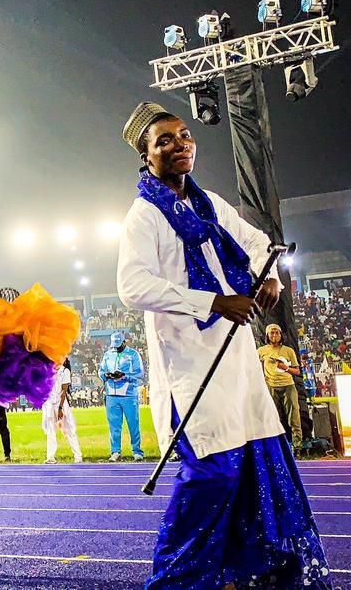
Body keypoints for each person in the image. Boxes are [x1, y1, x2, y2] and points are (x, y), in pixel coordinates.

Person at [117, 101, 330, 588]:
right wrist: (214, 300)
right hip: (189, 369)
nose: (180, 144)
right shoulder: (143, 216)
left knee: (253, 471)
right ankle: (175, 580)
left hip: (236, 361)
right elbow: (132, 286)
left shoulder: (210, 203)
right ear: (146, 156)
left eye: (185, 135)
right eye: (164, 140)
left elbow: (258, 242)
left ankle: (240, 574)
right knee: (212, 475)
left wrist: (270, 274)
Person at [99, 331, 144, 462]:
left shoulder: (133, 354)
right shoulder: (108, 354)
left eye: (119, 345)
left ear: (125, 342)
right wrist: (105, 375)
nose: (116, 348)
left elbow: (140, 373)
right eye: (114, 345)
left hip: (129, 395)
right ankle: (115, 451)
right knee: (114, 426)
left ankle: (137, 451)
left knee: (133, 424)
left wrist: (124, 375)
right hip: (111, 395)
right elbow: (100, 371)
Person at [258, 323, 303, 450]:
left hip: (288, 386)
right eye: (272, 333)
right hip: (270, 387)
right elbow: (253, 367)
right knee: (272, 419)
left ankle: (297, 447)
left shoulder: (288, 351)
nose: (274, 335)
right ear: (267, 335)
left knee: (294, 418)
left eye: (277, 332)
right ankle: (276, 449)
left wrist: (286, 368)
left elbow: (297, 371)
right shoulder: (261, 351)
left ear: (281, 334)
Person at [42, 359, 82, 464]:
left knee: (69, 429)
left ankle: (78, 456)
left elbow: (64, 391)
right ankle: (50, 456)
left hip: (61, 403)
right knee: (50, 431)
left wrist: (60, 408)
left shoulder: (65, 371)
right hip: (49, 404)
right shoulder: (47, 370)